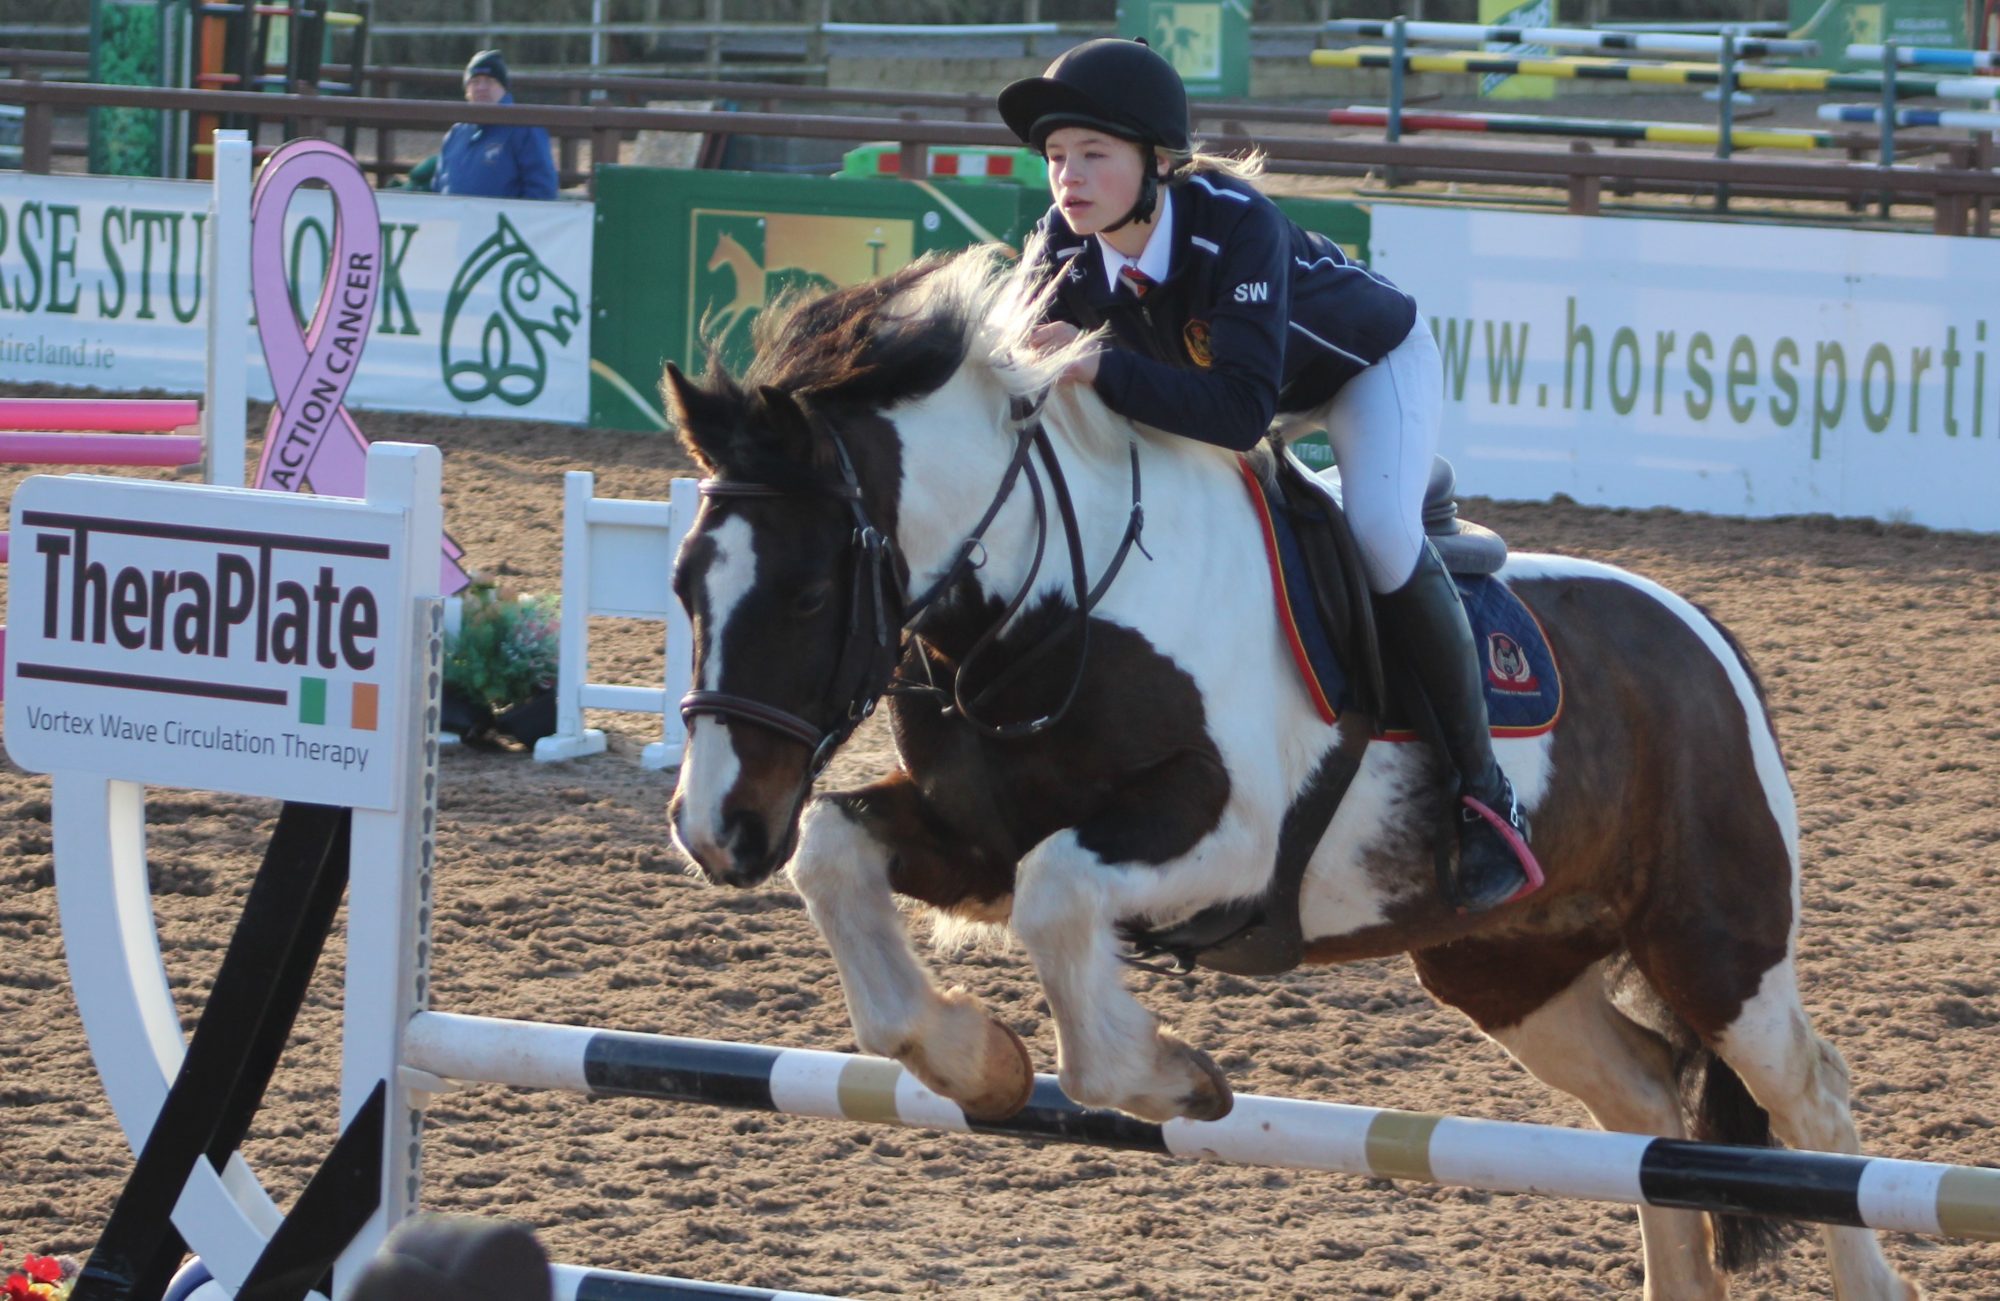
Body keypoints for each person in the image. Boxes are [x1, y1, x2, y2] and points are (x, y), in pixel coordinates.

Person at [998, 38, 1540, 913]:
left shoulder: (1234, 224)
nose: (1069, 177)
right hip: (1224, 391)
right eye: (1057, 156)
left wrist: (1095, 363)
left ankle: (1486, 794)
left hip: (1363, 370)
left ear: (1159, 161)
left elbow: (1240, 415)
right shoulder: (1060, 245)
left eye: (1094, 153)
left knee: (1380, 531)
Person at [432, 49, 559, 200]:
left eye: (490, 81)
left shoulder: (525, 128)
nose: (481, 87)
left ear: (503, 87)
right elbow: (438, 187)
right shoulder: (456, 133)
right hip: (453, 214)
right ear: (466, 90)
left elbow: (542, 190)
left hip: (503, 215)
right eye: (475, 81)